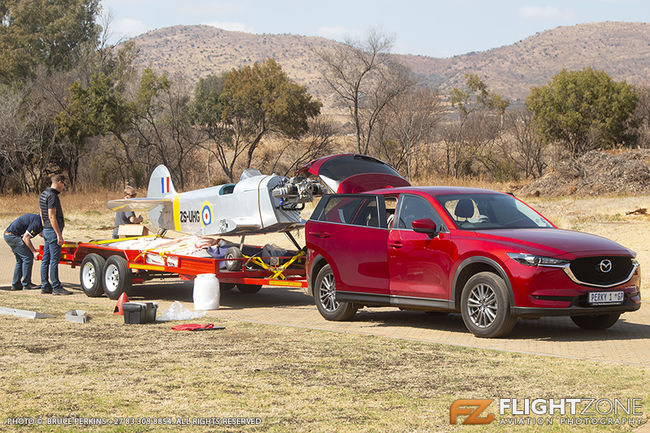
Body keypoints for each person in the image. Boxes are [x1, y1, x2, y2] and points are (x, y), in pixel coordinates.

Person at [39, 174, 71, 295]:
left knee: (45, 259)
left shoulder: (44, 193)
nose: (63, 187)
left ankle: (45, 285)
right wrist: (58, 234)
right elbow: (52, 216)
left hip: (47, 229)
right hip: (52, 231)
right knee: (53, 260)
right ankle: (56, 286)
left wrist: (44, 226)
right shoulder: (52, 196)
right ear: (58, 182)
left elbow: (42, 213)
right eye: (63, 184)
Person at [4, 213, 43, 290]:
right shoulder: (37, 222)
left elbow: (40, 234)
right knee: (28, 258)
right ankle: (26, 284)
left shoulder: (37, 219)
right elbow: (26, 238)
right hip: (13, 236)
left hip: (9, 235)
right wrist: (34, 252)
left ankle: (16, 284)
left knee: (20, 260)